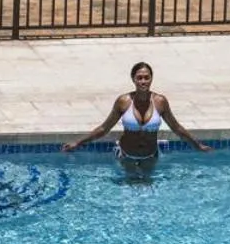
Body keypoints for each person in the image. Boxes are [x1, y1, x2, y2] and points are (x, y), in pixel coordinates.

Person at [62, 61, 212, 174]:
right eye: (139, 78)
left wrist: (197, 145)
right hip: (126, 155)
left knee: (147, 189)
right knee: (130, 188)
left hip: (150, 155)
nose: (143, 82)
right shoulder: (124, 101)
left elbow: (176, 128)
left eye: (146, 78)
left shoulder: (160, 102)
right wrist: (78, 143)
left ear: (151, 79)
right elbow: (104, 128)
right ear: (133, 79)